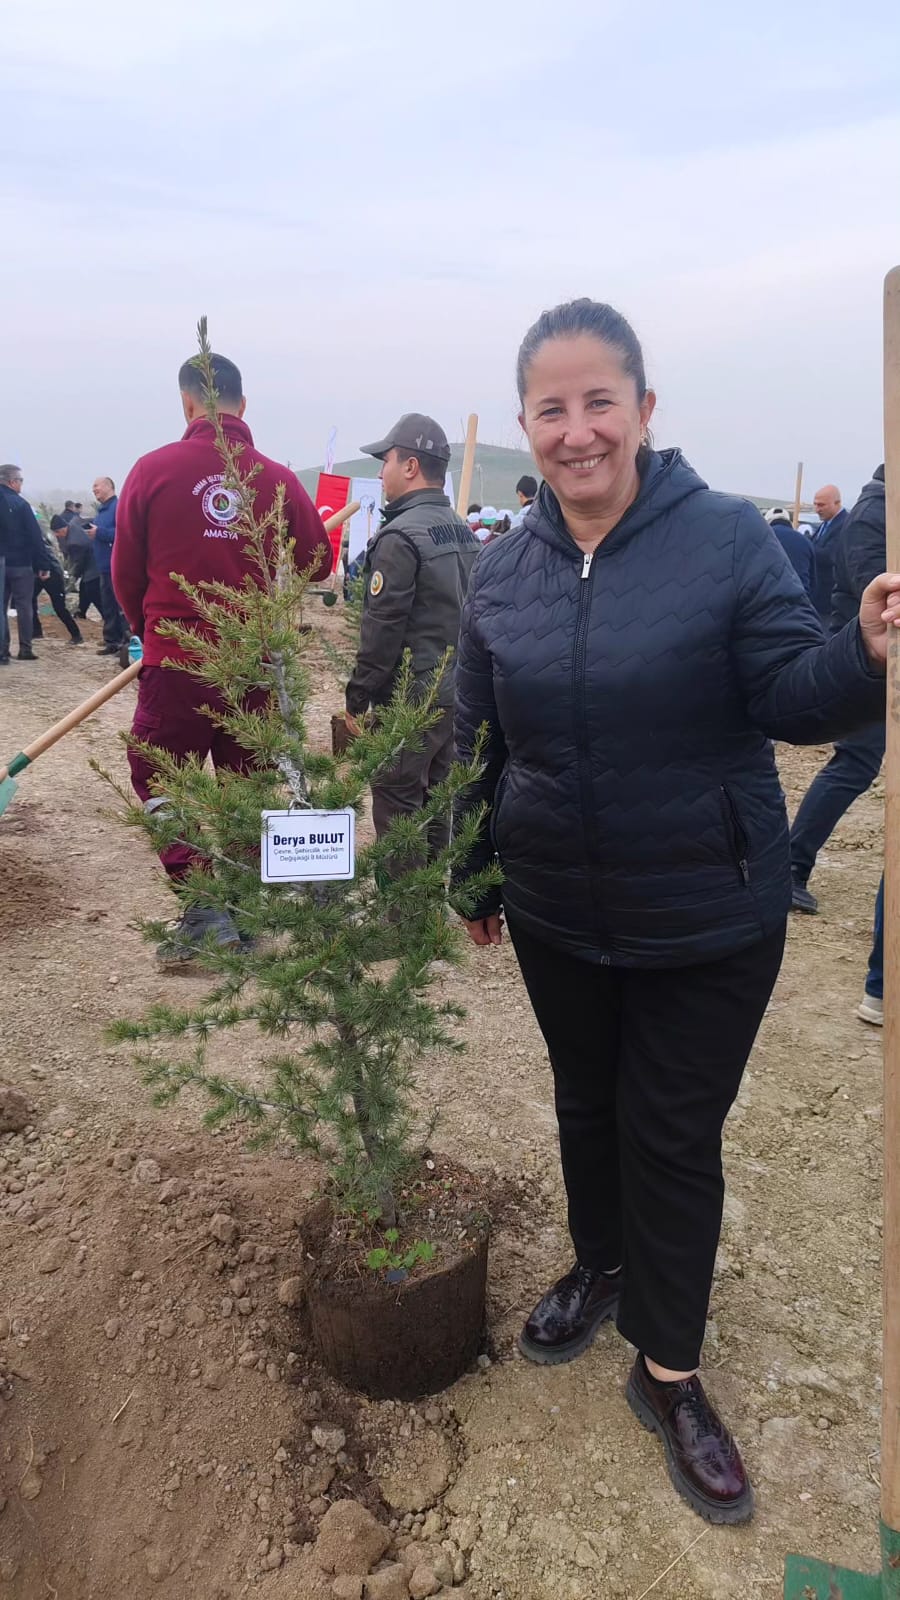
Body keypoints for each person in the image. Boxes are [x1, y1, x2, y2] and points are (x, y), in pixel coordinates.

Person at [451, 298, 895, 1526]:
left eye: (601, 401)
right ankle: (600, 1264)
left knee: (671, 1132)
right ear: (528, 424)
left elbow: (791, 694)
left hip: (708, 909)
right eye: (552, 408)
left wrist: (861, 652)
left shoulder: (726, 540)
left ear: (644, 409)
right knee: (586, 1103)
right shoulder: (504, 571)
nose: (578, 430)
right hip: (558, 908)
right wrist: (471, 870)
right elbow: (473, 737)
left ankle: (668, 1369)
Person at [112, 349, 332, 963]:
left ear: (187, 403)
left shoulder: (152, 471)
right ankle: (240, 908)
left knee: (158, 774)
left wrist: (151, 632)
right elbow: (319, 564)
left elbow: (125, 572)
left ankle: (207, 907)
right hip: (253, 664)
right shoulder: (276, 477)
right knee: (246, 783)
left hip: (178, 659)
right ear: (243, 404)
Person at [344, 413, 480, 862]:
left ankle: (403, 907)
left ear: (410, 467)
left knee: (398, 809)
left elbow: (381, 631)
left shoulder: (400, 537)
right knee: (436, 806)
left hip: (410, 701)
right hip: (455, 696)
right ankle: (430, 898)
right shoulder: (463, 531)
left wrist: (357, 698)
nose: (381, 472)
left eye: (385, 461)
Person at [789, 467, 886, 913]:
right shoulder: (875, 513)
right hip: (867, 662)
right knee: (855, 763)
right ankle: (791, 866)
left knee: (856, 765)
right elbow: (875, 588)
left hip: (876, 657)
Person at [0, 464, 50, 663]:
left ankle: (3, 650)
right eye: (20, 481)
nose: (21, 484)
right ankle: (25, 649)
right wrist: (43, 565)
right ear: (12, 482)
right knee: (24, 607)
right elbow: (35, 537)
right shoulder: (21, 504)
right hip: (21, 564)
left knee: (1, 607)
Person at [87, 476, 128, 656]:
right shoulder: (102, 511)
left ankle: (126, 644)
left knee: (121, 607)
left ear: (109, 486)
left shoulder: (118, 508)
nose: (94, 489)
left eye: (97, 485)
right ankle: (111, 641)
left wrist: (100, 532)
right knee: (109, 606)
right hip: (103, 567)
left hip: (117, 566)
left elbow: (123, 532)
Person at [32, 521, 84, 645]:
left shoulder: (36, 539)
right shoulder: (32, 536)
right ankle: (36, 631)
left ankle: (76, 635)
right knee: (29, 600)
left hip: (52, 573)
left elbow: (45, 555)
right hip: (38, 573)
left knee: (59, 607)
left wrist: (46, 569)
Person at [809, 484, 848, 622]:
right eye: (815, 504)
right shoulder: (825, 524)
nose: (817, 509)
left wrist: (805, 547)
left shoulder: (845, 524)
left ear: (837, 503)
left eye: (821, 505)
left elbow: (830, 555)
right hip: (818, 597)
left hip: (829, 599)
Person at [762, 507, 816, 598]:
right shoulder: (806, 541)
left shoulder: (762, 538)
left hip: (768, 597)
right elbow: (813, 580)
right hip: (800, 597)